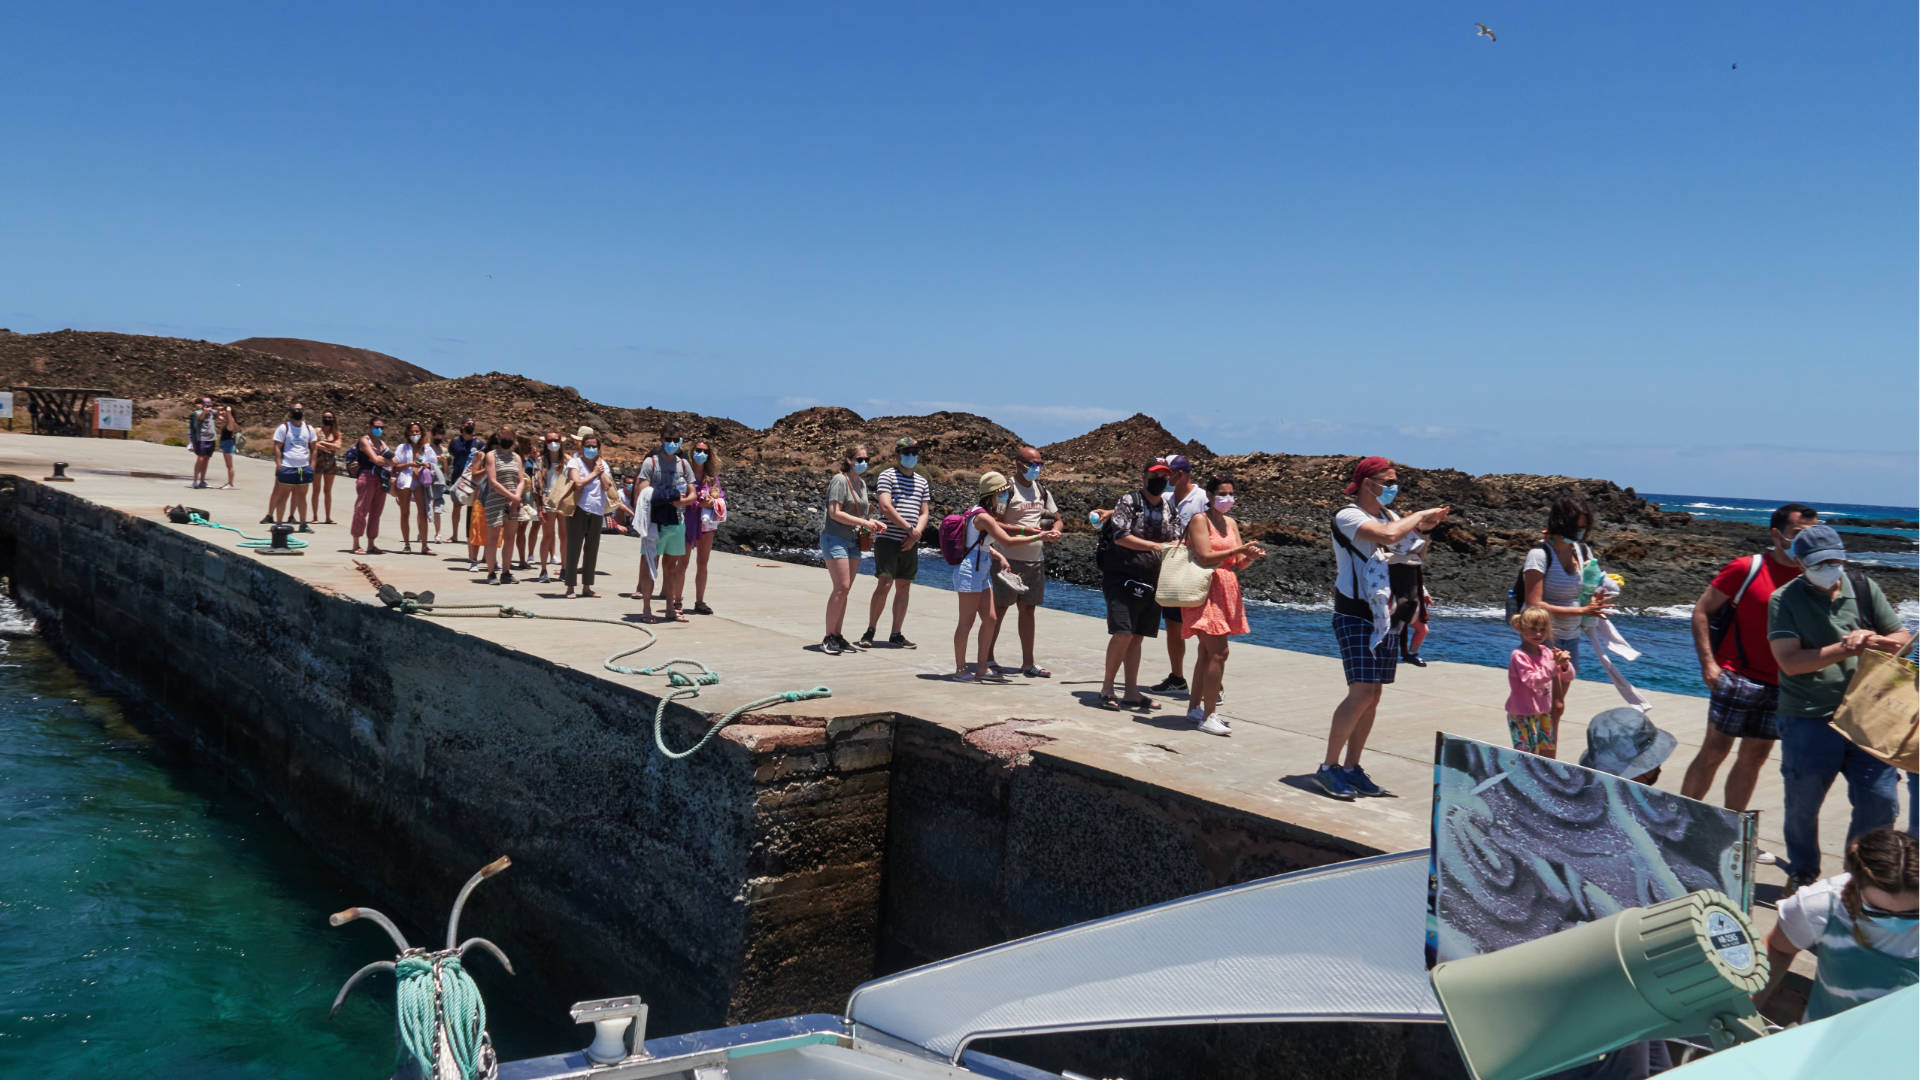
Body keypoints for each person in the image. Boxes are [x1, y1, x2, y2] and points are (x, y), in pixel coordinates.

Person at [1769, 525, 1913, 890]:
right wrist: (1846, 648)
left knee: (1880, 803)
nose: (1830, 568)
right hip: (1808, 717)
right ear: (1799, 562)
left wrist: (1877, 642)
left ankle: (1860, 879)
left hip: (1867, 714)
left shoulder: (1863, 588)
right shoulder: (1783, 600)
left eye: (1835, 560)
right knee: (1803, 804)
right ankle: (1803, 872)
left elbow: (1902, 639)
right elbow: (1790, 661)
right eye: (1820, 563)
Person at [1320, 457, 1449, 800]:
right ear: (1366, 482)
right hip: (1354, 613)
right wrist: (1419, 516)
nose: (1392, 487)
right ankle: (1329, 767)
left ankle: (1351, 767)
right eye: (1386, 480)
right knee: (1361, 691)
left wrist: (1424, 531)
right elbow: (1389, 536)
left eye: (1395, 481)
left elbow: (1412, 555)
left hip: (1385, 614)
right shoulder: (1348, 516)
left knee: (1373, 696)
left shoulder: (1392, 516)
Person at [1678, 504, 1818, 817]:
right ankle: (1683, 823)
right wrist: (1708, 665)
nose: (1806, 542)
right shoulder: (1747, 568)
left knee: (1753, 759)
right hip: (1736, 675)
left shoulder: (1814, 577)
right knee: (1715, 751)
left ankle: (1734, 833)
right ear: (1776, 534)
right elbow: (1702, 610)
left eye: (1813, 535)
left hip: (1783, 683)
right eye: (1798, 534)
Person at [1761, 828, 1917, 1024]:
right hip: (1834, 1039)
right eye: (1878, 911)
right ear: (1856, 885)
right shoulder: (1820, 904)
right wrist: (1748, 1011)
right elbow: (1778, 949)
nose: (1895, 921)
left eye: (1912, 914)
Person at [1180, 476, 1265, 735]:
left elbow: (1238, 562)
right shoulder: (1199, 521)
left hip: (1226, 588)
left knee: (1206, 653)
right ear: (1209, 494)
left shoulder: (1230, 522)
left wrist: (1249, 556)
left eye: (1231, 494)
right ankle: (1209, 715)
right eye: (1222, 494)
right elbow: (1204, 555)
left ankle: (1195, 708)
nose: (1227, 499)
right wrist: (1236, 552)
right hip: (1205, 588)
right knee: (1219, 652)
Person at [1522, 496, 1614, 731]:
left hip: (1572, 636)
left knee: (1556, 707)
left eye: (1584, 528)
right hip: (1543, 637)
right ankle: (1541, 757)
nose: (1580, 533)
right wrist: (1582, 610)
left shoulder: (1583, 552)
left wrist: (1595, 602)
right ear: (1560, 524)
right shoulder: (1539, 555)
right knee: (1552, 704)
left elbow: (1590, 587)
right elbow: (1534, 603)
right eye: (1576, 528)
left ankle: (1546, 756)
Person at [1097, 460, 1182, 710]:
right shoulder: (1129, 501)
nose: (1160, 480)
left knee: (1136, 637)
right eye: (1156, 475)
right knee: (1122, 632)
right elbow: (1120, 536)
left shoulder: (1169, 508)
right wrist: (1155, 547)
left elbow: (1176, 538)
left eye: (1165, 476)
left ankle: (1132, 692)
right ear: (1144, 476)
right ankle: (1107, 688)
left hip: (1152, 580)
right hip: (1122, 577)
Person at [949, 472, 1037, 681]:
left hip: (981, 567)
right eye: (1004, 493)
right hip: (970, 570)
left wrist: (998, 557)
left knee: (990, 618)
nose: (1006, 497)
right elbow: (1006, 540)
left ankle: (981, 667)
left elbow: (980, 543)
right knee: (966, 622)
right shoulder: (983, 516)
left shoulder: (982, 514)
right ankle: (960, 669)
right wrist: (1038, 536)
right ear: (993, 494)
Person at [984, 445, 1062, 676]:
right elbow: (994, 522)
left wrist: (1055, 531)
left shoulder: (1042, 490)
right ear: (1020, 464)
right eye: (1033, 464)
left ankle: (1028, 663)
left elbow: (1057, 519)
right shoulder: (1006, 490)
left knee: (1028, 610)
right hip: (1007, 559)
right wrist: (1024, 530)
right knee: (999, 609)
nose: (1037, 468)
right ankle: (987, 658)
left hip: (1034, 560)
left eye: (1040, 464)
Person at [859, 437, 932, 649]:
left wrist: (916, 533)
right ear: (898, 454)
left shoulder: (922, 481)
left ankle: (896, 633)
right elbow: (886, 507)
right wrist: (909, 529)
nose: (911, 457)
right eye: (907, 452)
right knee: (885, 583)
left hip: (911, 540)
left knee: (904, 585)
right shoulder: (887, 475)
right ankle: (870, 630)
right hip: (888, 538)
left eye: (914, 452)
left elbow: (924, 511)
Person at [1147, 455, 1211, 697]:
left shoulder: (1203, 498)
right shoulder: (1166, 498)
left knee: (1202, 629)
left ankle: (1214, 683)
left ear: (1180, 474)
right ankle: (1178, 677)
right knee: (1173, 625)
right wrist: (1110, 512)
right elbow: (1141, 504)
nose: (1164, 478)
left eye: (1168, 474)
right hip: (1174, 571)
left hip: (1197, 571)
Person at [819, 444, 885, 655]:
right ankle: (828, 636)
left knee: (845, 590)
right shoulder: (840, 480)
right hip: (835, 538)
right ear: (848, 460)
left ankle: (837, 635)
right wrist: (864, 523)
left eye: (866, 459)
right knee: (841, 586)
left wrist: (872, 522)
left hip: (853, 540)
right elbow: (835, 513)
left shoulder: (862, 484)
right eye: (859, 459)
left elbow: (860, 513)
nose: (863, 463)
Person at [638, 427, 698, 622]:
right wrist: (667, 496)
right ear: (661, 439)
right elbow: (642, 491)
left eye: (676, 439)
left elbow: (693, 494)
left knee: (672, 566)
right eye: (669, 439)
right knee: (650, 564)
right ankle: (647, 608)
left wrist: (680, 502)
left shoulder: (684, 465)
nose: (672, 443)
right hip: (655, 523)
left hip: (677, 522)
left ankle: (670, 608)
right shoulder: (651, 463)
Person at [1507, 607, 1576, 758]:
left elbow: (1568, 676)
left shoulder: (1546, 652)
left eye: (1543, 630)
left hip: (1544, 712)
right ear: (1521, 628)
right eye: (1533, 629)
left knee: (1546, 753)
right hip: (1522, 714)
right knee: (1526, 755)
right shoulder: (1519, 656)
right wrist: (1553, 664)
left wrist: (1564, 665)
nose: (1538, 634)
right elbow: (1532, 681)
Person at [562, 434, 615, 599]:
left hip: (596, 510)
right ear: (582, 447)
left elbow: (607, 486)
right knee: (574, 547)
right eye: (588, 445)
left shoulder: (602, 465)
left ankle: (587, 586)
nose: (591, 449)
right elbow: (577, 484)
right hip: (578, 509)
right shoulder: (575, 462)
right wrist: (593, 473)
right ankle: (570, 586)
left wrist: (600, 472)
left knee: (592, 549)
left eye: (594, 446)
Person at [685, 439, 725, 615]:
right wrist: (695, 502)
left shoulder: (711, 478)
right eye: (698, 450)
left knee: (703, 563)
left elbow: (721, 499)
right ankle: (677, 600)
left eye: (704, 451)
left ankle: (700, 601)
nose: (700, 454)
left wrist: (711, 502)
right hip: (687, 521)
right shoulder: (684, 474)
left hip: (706, 524)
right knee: (682, 562)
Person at [482, 428, 526, 584]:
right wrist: (513, 497)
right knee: (493, 537)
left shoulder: (516, 458)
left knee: (510, 537)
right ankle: (491, 572)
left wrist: (517, 498)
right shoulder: (491, 456)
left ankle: (506, 571)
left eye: (510, 436)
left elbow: (521, 479)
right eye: (504, 435)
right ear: (498, 436)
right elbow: (493, 482)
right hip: (496, 500)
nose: (507, 438)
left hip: (513, 502)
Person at [265, 402, 317, 532]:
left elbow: (314, 448)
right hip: (288, 466)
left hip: (303, 467)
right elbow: (277, 446)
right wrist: (278, 464)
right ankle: (278, 523)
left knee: (302, 496)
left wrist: (312, 466)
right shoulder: (284, 428)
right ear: (290, 412)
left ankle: (303, 523)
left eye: (300, 409)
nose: (298, 412)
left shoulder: (309, 429)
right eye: (295, 410)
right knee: (283, 496)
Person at [349, 416, 395, 555]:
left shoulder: (381, 443)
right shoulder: (364, 441)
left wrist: (383, 460)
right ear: (370, 427)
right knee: (361, 510)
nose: (379, 429)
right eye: (376, 427)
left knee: (376, 512)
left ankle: (371, 544)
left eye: (381, 427)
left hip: (380, 478)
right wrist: (381, 459)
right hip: (367, 476)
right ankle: (356, 543)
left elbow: (394, 461)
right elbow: (376, 460)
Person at [390, 421, 436, 556]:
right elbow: (395, 466)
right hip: (405, 482)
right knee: (405, 513)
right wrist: (408, 464)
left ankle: (424, 545)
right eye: (412, 432)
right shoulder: (402, 448)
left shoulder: (427, 448)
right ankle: (406, 544)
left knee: (422, 513)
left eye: (417, 431)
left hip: (420, 482)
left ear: (421, 433)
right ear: (408, 433)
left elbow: (435, 464)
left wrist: (426, 464)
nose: (415, 434)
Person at [534, 430, 567, 583]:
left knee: (565, 535)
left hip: (564, 500)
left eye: (556, 440)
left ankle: (565, 568)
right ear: (545, 443)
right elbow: (536, 485)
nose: (553, 443)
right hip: (547, 500)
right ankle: (543, 569)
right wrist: (539, 507)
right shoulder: (541, 461)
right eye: (550, 440)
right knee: (548, 535)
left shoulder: (567, 461)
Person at [447, 418, 482, 545]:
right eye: (468, 424)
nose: (471, 426)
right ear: (462, 426)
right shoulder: (455, 441)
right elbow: (451, 454)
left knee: (471, 507)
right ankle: (454, 535)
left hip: (471, 480)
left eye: (473, 424)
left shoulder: (478, 443)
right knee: (456, 506)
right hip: (457, 477)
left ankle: (471, 536)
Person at [313, 411, 343, 524]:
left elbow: (338, 446)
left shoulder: (336, 433)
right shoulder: (317, 431)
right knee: (316, 490)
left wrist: (323, 444)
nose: (327, 419)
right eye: (325, 417)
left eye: (330, 417)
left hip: (330, 464)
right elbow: (312, 443)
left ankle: (328, 517)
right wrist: (327, 445)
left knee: (327, 491)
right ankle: (315, 516)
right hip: (318, 463)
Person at [188, 396, 217, 489]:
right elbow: (200, 418)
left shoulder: (212, 413)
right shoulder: (198, 413)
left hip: (212, 439)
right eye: (206, 404)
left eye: (210, 404)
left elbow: (220, 413)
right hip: (202, 439)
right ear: (202, 405)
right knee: (200, 459)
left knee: (206, 459)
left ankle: (202, 481)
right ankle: (195, 480)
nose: (208, 406)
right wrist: (205, 411)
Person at [427, 423, 449, 543]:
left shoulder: (444, 450)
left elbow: (446, 471)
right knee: (424, 507)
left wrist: (444, 461)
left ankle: (438, 533)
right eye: (437, 437)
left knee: (437, 509)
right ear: (432, 435)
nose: (439, 440)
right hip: (427, 480)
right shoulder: (426, 448)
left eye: (441, 437)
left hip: (438, 482)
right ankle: (422, 531)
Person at [215, 403, 239, 489]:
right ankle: (230, 482)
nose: (224, 412)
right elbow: (219, 417)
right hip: (225, 444)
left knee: (229, 466)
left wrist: (228, 412)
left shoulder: (231, 423)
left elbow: (230, 419)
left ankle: (230, 483)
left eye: (225, 411)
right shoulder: (227, 422)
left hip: (228, 444)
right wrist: (219, 411)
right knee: (228, 465)